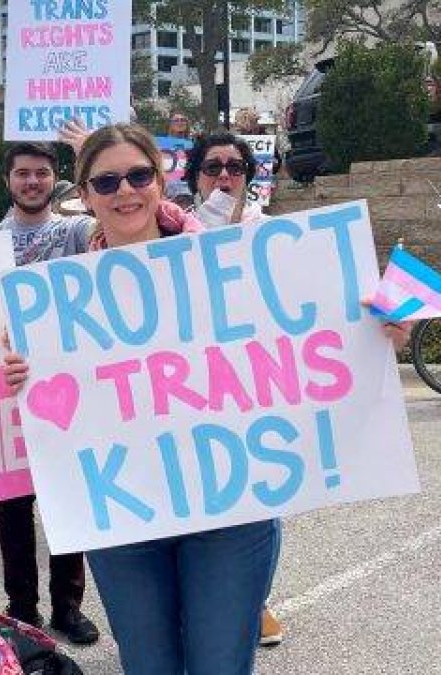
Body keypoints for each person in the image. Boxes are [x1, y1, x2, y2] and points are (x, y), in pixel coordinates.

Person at [2, 123, 413, 674]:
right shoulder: (57, 295)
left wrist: (373, 329)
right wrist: (20, 369)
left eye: (138, 175)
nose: (124, 190)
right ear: (84, 193)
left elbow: (314, 327)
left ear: (160, 178)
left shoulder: (230, 262)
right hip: (126, 519)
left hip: (228, 512)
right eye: (106, 181)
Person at [0, 142, 100, 645]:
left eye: (43, 173)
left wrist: (91, 151)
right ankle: (22, 607)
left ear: (57, 179)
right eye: (23, 173)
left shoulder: (72, 230)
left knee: (68, 499)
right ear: (8, 180)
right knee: (14, 508)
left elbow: (110, 228)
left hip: (68, 391)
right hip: (9, 390)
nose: (33, 182)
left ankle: (67, 607)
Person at [184, 130, 284, 647]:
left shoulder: (271, 233)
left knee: (263, 498)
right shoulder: (170, 236)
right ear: (194, 176)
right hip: (189, 394)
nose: (225, 176)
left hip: (254, 388)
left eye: (236, 167)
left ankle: (254, 599)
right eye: (213, 167)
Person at [184, 131, 264, 227]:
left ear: (246, 176)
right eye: (212, 167)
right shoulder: (175, 235)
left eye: (235, 167)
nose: (224, 174)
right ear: (196, 178)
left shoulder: (274, 233)